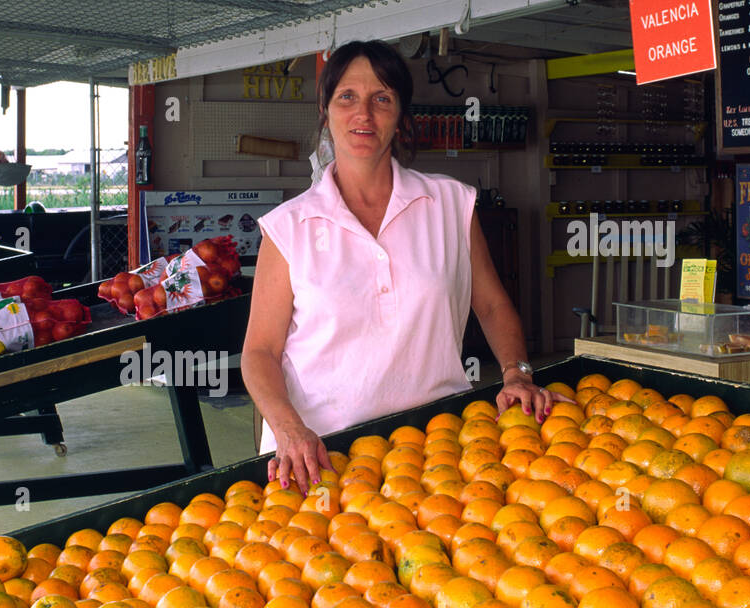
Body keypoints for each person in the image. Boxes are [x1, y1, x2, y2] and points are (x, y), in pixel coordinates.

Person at [241, 39, 568, 494]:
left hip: (435, 447)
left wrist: (517, 372)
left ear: (400, 113)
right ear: (325, 107)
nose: (364, 115)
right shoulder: (288, 227)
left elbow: (492, 306)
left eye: (382, 99)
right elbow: (259, 352)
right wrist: (288, 429)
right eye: (347, 97)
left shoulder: (451, 204)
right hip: (320, 458)